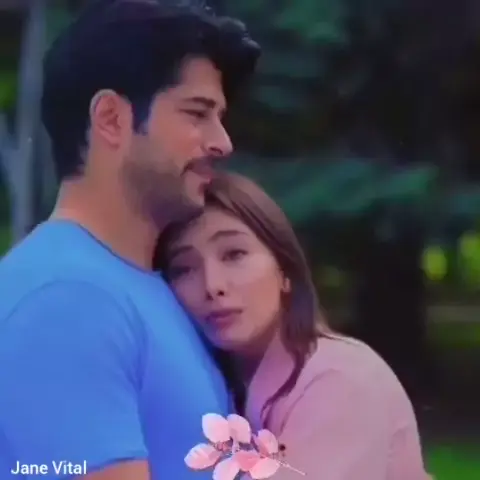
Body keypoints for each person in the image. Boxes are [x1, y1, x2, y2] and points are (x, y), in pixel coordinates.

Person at [0, 1, 259, 479]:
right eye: (197, 113)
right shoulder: (66, 299)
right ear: (111, 119)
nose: (222, 142)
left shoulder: (143, 287)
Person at [156, 172, 429, 480]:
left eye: (234, 254)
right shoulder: (218, 383)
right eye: (184, 269)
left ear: (284, 269)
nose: (212, 285)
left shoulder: (339, 378)